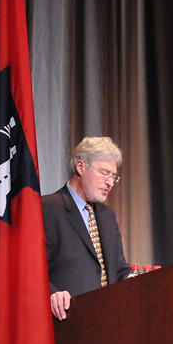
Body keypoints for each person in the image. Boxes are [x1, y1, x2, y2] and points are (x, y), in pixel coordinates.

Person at [44, 136, 133, 320]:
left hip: (106, 324)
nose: (110, 183)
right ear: (81, 167)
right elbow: (31, 269)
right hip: (66, 322)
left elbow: (118, 271)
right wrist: (51, 293)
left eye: (113, 177)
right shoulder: (48, 208)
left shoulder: (107, 216)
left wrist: (143, 281)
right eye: (104, 173)